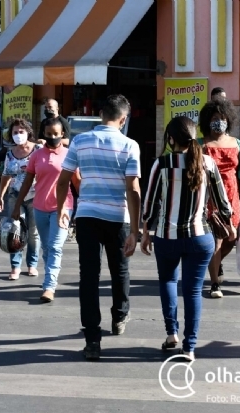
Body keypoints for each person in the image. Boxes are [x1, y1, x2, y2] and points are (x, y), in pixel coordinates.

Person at [141, 116, 233, 361]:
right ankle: (189, 347)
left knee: (168, 282)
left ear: (171, 139)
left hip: (166, 237)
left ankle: (171, 334)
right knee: (193, 291)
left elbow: (148, 205)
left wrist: (144, 232)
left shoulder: (161, 164)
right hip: (200, 238)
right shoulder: (208, 163)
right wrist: (224, 221)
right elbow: (224, 205)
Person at [56, 94, 140, 360]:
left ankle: (92, 338)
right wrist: (136, 229)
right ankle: (120, 316)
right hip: (117, 217)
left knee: (89, 276)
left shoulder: (80, 141)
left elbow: (64, 180)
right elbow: (133, 188)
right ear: (123, 118)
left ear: (101, 115)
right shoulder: (130, 145)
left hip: (87, 216)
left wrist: (62, 209)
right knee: (120, 270)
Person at [198, 99, 240, 298]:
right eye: (215, 118)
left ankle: (214, 263)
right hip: (211, 199)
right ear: (207, 121)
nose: (219, 122)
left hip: (234, 198)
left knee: (231, 239)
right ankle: (215, 284)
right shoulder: (201, 144)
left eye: (222, 118)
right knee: (216, 240)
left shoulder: (237, 143)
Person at [13, 118, 75, 302]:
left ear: (62, 134)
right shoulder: (36, 155)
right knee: (47, 248)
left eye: (56, 134)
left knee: (55, 247)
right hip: (39, 207)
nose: (53, 137)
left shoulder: (70, 154)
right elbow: (27, 182)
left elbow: (78, 182)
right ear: (43, 134)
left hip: (63, 208)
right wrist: (17, 205)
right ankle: (50, 276)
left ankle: (49, 286)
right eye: (49, 134)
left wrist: (84, 207)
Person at [0, 119, 41, 280]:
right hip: (15, 196)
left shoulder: (38, 150)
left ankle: (32, 264)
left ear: (28, 132)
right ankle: (15, 266)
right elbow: (5, 175)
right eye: (15, 132)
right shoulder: (10, 154)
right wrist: (0, 197)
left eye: (21, 132)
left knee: (33, 233)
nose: (18, 135)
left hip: (35, 196)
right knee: (14, 231)